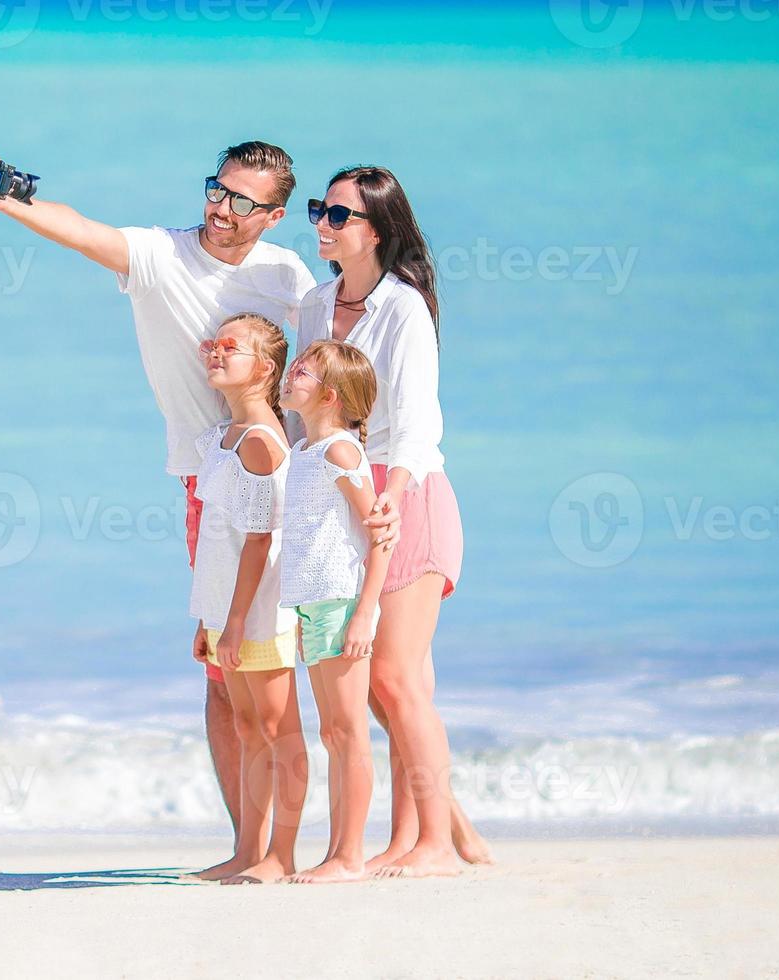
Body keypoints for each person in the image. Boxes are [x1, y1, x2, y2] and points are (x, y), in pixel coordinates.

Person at [0, 142, 317, 843]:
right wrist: (12, 201)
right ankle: (248, 840)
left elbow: (316, 374)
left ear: (274, 216)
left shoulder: (288, 276)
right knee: (225, 669)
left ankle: (292, 846)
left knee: (285, 668)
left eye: (243, 202)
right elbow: (85, 229)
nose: (222, 209)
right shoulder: (162, 255)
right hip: (205, 480)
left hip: (282, 476)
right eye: (217, 190)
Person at [293, 165, 492, 876]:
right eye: (321, 209)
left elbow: (416, 420)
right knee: (383, 685)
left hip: (406, 496)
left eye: (338, 215)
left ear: (376, 229)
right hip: (344, 495)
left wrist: (393, 493)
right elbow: (311, 416)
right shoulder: (316, 304)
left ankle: (436, 842)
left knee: (398, 681)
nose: (321, 222)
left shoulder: (403, 307)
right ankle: (426, 839)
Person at [184, 313, 307, 884]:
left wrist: (234, 624)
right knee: (247, 728)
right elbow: (218, 539)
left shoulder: (261, 442)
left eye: (229, 347)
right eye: (212, 343)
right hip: (225, 613)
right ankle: (248, 851)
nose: (215, 352)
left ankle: (281, 855)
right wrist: (208, 618)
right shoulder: (220, 439)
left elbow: (262, 540)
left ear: (264, 367)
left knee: (280, 732)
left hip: (259, 615)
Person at [273, 340, 388, 884]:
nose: (291, 373)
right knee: (333, 734)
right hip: (317, 605)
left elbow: (380, 536)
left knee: (349, 732)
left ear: (331, 396)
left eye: (303, 370)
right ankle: (339, 852)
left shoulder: (341, 451)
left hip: (343, 603)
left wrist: (366, 614)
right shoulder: (305, 453)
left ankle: (350, 856)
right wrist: (300, 613)